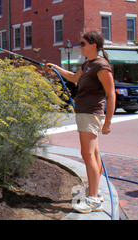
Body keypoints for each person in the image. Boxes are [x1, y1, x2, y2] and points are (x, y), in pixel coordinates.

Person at [46, 31, 115, 214]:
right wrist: (56, 68)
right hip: (85, 113)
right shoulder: (88, 64)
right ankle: (95, 192)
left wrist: (108, 122)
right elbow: (73, 78)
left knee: (87, 154)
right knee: (94, 153)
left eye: (83, 43)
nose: (80, 46)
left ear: (94, 45)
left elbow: (111, 94)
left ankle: (93, 200)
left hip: (91, 114)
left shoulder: (101, 66)